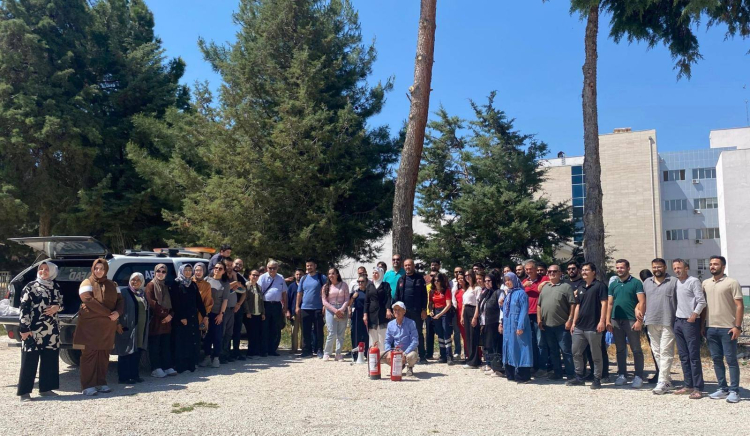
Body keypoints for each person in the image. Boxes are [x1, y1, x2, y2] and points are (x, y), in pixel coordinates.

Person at [74, 258, 124, 396]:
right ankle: (88, 385)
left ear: (106, 270)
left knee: (103, 355)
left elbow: (120, 300)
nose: (99, 271)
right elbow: (87, 299)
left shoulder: (113, 284)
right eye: (96, 268)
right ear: (92, 269)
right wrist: (109, 313)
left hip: (107, 327)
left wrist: (118, 313)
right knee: (89, 355)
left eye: (101, 268)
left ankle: (101, 383)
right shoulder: (87, 282)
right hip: (90, 327)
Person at [17, 261, 62, 401]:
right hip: (33, 330)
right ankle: (24, 392)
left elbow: (61, 304)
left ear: (52, 271)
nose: (43, 271)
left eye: (46, 269)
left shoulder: (55, 286)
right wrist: (24, 328)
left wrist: (57, 308)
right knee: (29, 360)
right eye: (41, 269)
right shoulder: (31, 287)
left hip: (52, 330)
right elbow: (23, 308)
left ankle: (46, 389)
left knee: (50, 359)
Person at [703, 255, 744, 403]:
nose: (712, 266)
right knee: (716, 359)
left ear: (723, 266)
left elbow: (739, 305)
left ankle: (734, 391)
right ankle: (722, 388)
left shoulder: (732, 283)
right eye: (711, 264)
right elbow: (703, 306)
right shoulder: (705, 283)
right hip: (711, 328)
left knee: (731, 360)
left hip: (728, 328)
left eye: (716, 264)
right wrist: (702, 326)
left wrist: (737, 326)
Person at [605, 259, 645, 389]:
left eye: (622, 267)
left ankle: (638, 376)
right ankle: (622, 375)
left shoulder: (636, 283)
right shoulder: (613, 284)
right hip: (616, 320)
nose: (619, 270)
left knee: (636, 349)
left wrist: (639, 321)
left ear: (628, 268)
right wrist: (607, 320)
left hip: (631, 319)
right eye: (617, 268)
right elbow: (610, 303)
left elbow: (642, 302)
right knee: (620, 349)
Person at [566, 262, 607, 389]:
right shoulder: (581, 287)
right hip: (580, 326)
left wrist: (602, 321)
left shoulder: (600, 286)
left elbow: (604, 304)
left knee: (596, 355)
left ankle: (597, 379)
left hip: (594, 326)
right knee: (576, 352)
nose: (583, 272)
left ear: (593, 272)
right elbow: (578, 306)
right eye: (582, 270)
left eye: (586, 270)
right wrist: (574, 322)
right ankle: (579, 377)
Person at [642, 258, 678, 395]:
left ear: (665, 267)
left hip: (668, 321)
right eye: (654, 267)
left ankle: (662, 382)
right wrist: (638, 310)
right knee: (656, 352)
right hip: (651, 321)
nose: (657, 269)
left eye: (659, 267)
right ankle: (667, 380)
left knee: (666, 351)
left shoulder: (673, 281)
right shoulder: (647, 282)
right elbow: (643, 300)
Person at [671, 259, 706, 399]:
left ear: (686, 268)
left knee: (693, 356)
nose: (677, 270)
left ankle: (698, 388)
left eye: (679, 267)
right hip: (678, 321)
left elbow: (701, 301)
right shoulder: (676, 283)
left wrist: (694, 315)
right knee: (683, 356)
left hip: (690, 322)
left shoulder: (693, 281)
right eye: (675, 268)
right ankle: (688, 385)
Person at [537, 265, 576, 381]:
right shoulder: (545, 287)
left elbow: (572, 304)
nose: (551, 273)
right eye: (549, 271)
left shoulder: (566, 287)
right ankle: (557, 373)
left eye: (554, 271)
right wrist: (539, 319)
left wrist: (570, 320)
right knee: (553, 351)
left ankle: (570, 374)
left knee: (566, 351)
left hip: (562, 325)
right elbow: (539, 305)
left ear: (560, 273)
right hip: (547, 325)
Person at [115, 273, 149, 385]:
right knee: (125, 352)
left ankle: (134, 375)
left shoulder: (142, 294)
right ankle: (123, 377)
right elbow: (116, 308)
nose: (135, 282)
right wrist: (117, 323)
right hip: (127, 327)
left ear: (142, 282)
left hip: (140, 329)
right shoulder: (124, 292)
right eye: (133, 279)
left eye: (138, 280)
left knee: (136, 351)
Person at [171, 264, 206, 373]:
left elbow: (198, 301)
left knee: (192, 341)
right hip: (181, 318)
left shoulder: (193, 284)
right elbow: (175, 302)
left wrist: (205, 314)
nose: (188, 272)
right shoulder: (176, 284)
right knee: (182, 342)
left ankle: (191, 364)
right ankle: (181, 366)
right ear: (181, 271)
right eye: (185, 270)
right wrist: (181, 317)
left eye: (190, 270)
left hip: (192, 318)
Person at [144, 263, 176, 378]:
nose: (160, 274)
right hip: (156, 320)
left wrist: (170, 315)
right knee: (155, 345)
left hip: (167, 321)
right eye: (158, 271)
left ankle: (166, 366)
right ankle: (156, 368)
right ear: (154, 272)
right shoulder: (150, 285)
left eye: (163, 272)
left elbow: (173, 303)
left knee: (165, 345)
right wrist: (165, 315)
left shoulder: (166, 286)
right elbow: (152, 303)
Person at [395, 259, 428, 364]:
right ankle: (405, 356)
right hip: (404, 312)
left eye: (409, 265)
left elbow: (424, 295)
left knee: (418, 333)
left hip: (416, 311)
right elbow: (397, 296)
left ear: (413, 266)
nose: (407, 267)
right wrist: (397, 310)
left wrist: (424, 310)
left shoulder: (419, 279)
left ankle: (422, 356)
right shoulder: (401, 279)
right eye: (406, 265)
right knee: (404, 334)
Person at [502, 272, 532, 382]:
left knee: (520, 347)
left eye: (509, 280)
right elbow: (507, 310)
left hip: (517, 325)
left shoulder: (521, 293)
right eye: (505, 280)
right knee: (509, 347)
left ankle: (523, 374)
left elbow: (524, 310)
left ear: (514, 280)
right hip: (508, 326)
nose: (507, 282)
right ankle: (510, 373)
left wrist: (520, 326)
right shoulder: (508, 294)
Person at [522, 259, 549, 375]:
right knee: (531, 342)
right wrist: (524, 287)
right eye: (527, 269)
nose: (529, 271)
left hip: (539, 314)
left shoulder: (544, 279)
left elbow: (542, 292)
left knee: (541, 342)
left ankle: (543, 367)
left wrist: (531, 287)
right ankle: (534, 365)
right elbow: (519, 293)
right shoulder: (524, 281)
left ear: (536, 269)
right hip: (527, 315)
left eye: (531, 269)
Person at [201, 261, 229, 368]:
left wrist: (221, 314)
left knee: (217, 336)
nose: (217, 270)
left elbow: (225, 300)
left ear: (224, 271)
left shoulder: (225, 283)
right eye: (216, 268)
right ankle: (207, 357)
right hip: (206, 313)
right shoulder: (207, 280)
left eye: (220, 268)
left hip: (217, 313)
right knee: (206, 336)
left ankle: (216, 358)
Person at [297, 259, 326, 358]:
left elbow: (327, 291)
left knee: (319, 330)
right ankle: (306, 350)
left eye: (311, 265)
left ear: (315, 266)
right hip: (305, 308)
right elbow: (299, 293)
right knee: (305, 331)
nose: (309, 267)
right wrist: (297, 306)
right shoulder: (303, 278)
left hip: (318, 308)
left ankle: (319, 350)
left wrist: (325, 305)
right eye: (307, 266)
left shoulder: (321, 277)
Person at [259, 260, 287, 357]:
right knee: (264, 328)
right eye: (270, 268)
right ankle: (264, 350)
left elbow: (284, 293)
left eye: (274, 268)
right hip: (265, 305)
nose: (272, 270)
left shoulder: (281, 278)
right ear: (267, 268)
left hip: (277, 305)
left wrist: (285, 307)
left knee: (275, 328)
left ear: (277, 268)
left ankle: (272, 349)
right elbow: (259, 293)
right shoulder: (262, 278)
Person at [384, 302, 420, 377]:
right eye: (395, 310)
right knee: (380, 356)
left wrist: (405, 353)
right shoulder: (390, 324)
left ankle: (409, 367)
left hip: (408, 351)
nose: (396, 311)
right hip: (396, 351)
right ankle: (398, 366)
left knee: (412, 356)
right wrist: (389, 352)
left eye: (399, 310)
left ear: (404, 311)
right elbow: (387, 341)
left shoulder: (411, 323)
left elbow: (415, 341)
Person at [321, 268, 350, 361]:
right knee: (331, 332)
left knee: (340, 333)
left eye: (333, 273)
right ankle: (327, 352)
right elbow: (324, 301)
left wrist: (341, 309)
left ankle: (338, 353)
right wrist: (334, 310)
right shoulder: (325, 287)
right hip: (330, 309)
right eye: (329, 274)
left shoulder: (344, 285)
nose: (331, 275)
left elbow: (347, 299)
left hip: (342, 309)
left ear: (337, 274)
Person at [479, 273, 504, 376]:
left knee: (496, 345)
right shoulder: (486, 293)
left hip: (495, 322)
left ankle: (499, 369)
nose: (487, 283)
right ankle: (492, 366)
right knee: (489, 345)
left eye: (489, 281)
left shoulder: (499, 292)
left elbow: (502, 309)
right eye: (485, 281)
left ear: (493, 281)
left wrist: (501, 322)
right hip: (487, 323)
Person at [364, 267, 393, 352]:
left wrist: (388, 309)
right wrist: (365, 314)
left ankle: (383, 355)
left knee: (382, 336)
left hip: (382, 313)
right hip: (372, 314)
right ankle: (373, 354)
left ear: (380, 274)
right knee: (372, 336)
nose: (375, 275)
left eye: (376, 273)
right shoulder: (369, 285)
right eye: (373, 273)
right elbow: (366, 301)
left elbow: (388, 298)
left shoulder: (386, 285)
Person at [638, 268, 659, 383]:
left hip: (650, 321)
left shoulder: (645, 288)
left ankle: (660, 373)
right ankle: (660, 373)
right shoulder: (652, 286)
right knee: (660, 350)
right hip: (655, 320)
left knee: (655, 350)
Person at [428, 273, 454, 364]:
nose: (436, 282)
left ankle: (449, 356)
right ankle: (443, 356)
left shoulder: (446, 290)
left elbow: (448, 305)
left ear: (441, 281)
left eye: (438, 280)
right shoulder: (432, 291)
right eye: (435, 280)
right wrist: (431, 310)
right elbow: (430, 303)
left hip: (445, 312)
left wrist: (440, 314)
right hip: (436, 311)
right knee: (440, 334)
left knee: (446, 333)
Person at [462, 270, 482, 369]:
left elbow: (478, 303)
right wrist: (462, 316)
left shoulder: (477, 288)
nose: (467, 277)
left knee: (473, 336)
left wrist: (475, 317)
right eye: (465, 275)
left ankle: (473, 361)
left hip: (473, 311)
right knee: (468, 336)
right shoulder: (467, 288)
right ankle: (471, 358)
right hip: (466, 311)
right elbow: (464, 303)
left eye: (469, 275)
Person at [242, 269, 265, 357]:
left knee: (257, 333)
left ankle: (256, 351)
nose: (255, 277)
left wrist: (263, 313)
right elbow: (244, 300)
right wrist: (247, 311)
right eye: (253, 275)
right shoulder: (246, 286)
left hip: (258, 313)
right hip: (250, 313)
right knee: (251, 333)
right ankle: (250, 352)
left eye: (257, 275)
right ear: (249, 276)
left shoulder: (259, 287)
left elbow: (261, 301)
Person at [230, 258, 248, 361]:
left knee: (237, 331)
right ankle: (225, 352)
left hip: (238, 307)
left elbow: (244, 292)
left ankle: (236, 352)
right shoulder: (226, 275)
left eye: (240, 265)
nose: (238, 266)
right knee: (228, 331)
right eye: (236, 264)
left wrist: (239, 304)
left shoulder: (241, 277)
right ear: (232, 263)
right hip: (227, 307)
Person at [349, 273, 369, 361]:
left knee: (366, 335)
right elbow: (349, 304)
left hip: (366, 314)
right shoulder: (355, 292)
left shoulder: (369, 292)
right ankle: (356, 354)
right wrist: (353, 298)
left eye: (362, 281)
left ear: (366, 282)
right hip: (357, 314)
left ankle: (366, 353)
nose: (360, 283)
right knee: (356, 334)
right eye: (359, 281)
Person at [286, 268, 304, 355]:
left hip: (305, 311)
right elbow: (288, 299)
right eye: (297, 274)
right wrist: (287, 311)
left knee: (304, 330)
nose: (298, 276)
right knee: (294, 331)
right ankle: (294, 348)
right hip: (294, 311)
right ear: (294, 275)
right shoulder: (291, 286)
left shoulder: (306, 285)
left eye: (300, 274)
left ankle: (304, 347)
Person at [193, 264, 213, 333]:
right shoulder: (189, 282)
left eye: (200, 270)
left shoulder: (206, 285)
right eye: (196, 270)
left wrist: (205, 316)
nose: (198, 272)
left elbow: (208, 301)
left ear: (204, 271)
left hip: (200, 314)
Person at [450, 266, 465, 360]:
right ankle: (457, 351)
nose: (458, 273)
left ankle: (467, 351)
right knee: (456, 332)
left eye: (460, 272)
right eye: (456, 272)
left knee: (465, 331)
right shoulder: (451, 282)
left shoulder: (464, 282)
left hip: (462, 308)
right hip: (453, 309)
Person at [425, 271, 438, 359]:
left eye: (435, 276)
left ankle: (444, 354)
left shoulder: (440, 287)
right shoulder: (427, 287)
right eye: (431, 275)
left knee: (441, 333)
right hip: (428, 313)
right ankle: (429, 354)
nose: (433, 277)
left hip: (439, 312)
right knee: (429, 334)